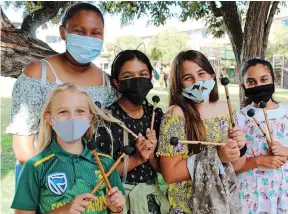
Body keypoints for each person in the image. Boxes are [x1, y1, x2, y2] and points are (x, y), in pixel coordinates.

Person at [6, 2, 118, 186]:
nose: (88, 38)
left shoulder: (106, 83)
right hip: (43, 179)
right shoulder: (38, 74)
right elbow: (23, 144)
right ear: (63, 32)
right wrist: (49, 185)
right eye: (80, 32)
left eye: (95, 32)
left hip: (90, 181)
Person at [11, 83, 125, 214]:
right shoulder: (35, 166)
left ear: (90, 118)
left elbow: (117, 210)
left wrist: (117, 209)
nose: (72, 118)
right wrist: (63, 211)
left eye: (80, 111)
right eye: (63, 112)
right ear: (50, 119)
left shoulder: (106, 162)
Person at [157, 50, 247, 214]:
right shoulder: (176, 113)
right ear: (179, 84)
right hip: (188, 206)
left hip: (222, 203)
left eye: (201, 74)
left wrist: (240, 148)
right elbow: (170, 174)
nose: (197, 82)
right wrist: (217, 156)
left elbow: (237, 165)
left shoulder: (226, 108)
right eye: (188, 78)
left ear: (212, 76)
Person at [96, 50, 169, 214]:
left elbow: (162, 170)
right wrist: (137, 158)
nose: (137, 81)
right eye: (128, 76)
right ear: (116, 82)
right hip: (119, 202)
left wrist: (150, 156)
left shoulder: (155, 115)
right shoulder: (107, 120)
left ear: (150, 77)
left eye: (143, 74)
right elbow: (101, 175)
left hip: (152, 201)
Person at [236, 58, 288, 213]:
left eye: (264, 79)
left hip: (283, 191)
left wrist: (287, 151)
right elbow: (234, 167)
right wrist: (259, 160)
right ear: (244, 86)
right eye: (251, 82)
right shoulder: (239, 118)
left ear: (273, 79)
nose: (259, 85)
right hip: (251, 192)